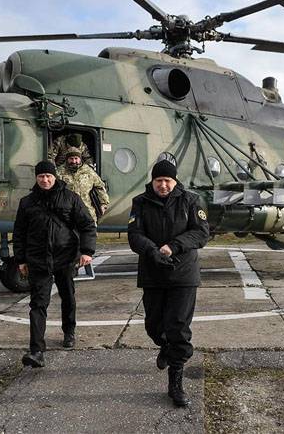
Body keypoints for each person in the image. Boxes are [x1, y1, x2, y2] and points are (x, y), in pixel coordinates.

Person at [127, 159, 209, 407]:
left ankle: (176, 383)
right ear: (152, 181)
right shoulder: (140, 202)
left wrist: (173, 247)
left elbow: (201, 232)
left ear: (175, 181)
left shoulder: (191, 201)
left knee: (178, 327)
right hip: (152, 273)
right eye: (159, 181)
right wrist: (153, 251)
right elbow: (134, 235)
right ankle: (166, 347)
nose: (163, 185)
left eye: (167, 181)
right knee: (153, 326)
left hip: (183, 274)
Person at [13, 160, 96, 367]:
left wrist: (86, 251)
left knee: (67, 296)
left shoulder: (70, 198)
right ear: (36, 178)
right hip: (38, 260)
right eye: (41, 176)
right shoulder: (27, 203)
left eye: (48, 176)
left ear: (55, 177)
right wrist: (20, 259)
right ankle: (36, 351)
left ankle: (69, 331)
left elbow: (87, 225)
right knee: (38, 304)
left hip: (65, 258)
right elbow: (19, 233)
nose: (45, 180)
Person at [57, 147, 109, 224]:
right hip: (67, 213)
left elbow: (100, 186)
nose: (74, 161)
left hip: (86, 211)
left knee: (89, 234)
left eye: (76, 158)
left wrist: (103, 202)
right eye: (71, 158)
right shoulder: (59, 172)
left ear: (80, 159)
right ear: (67, 159)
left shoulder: (88, 171)